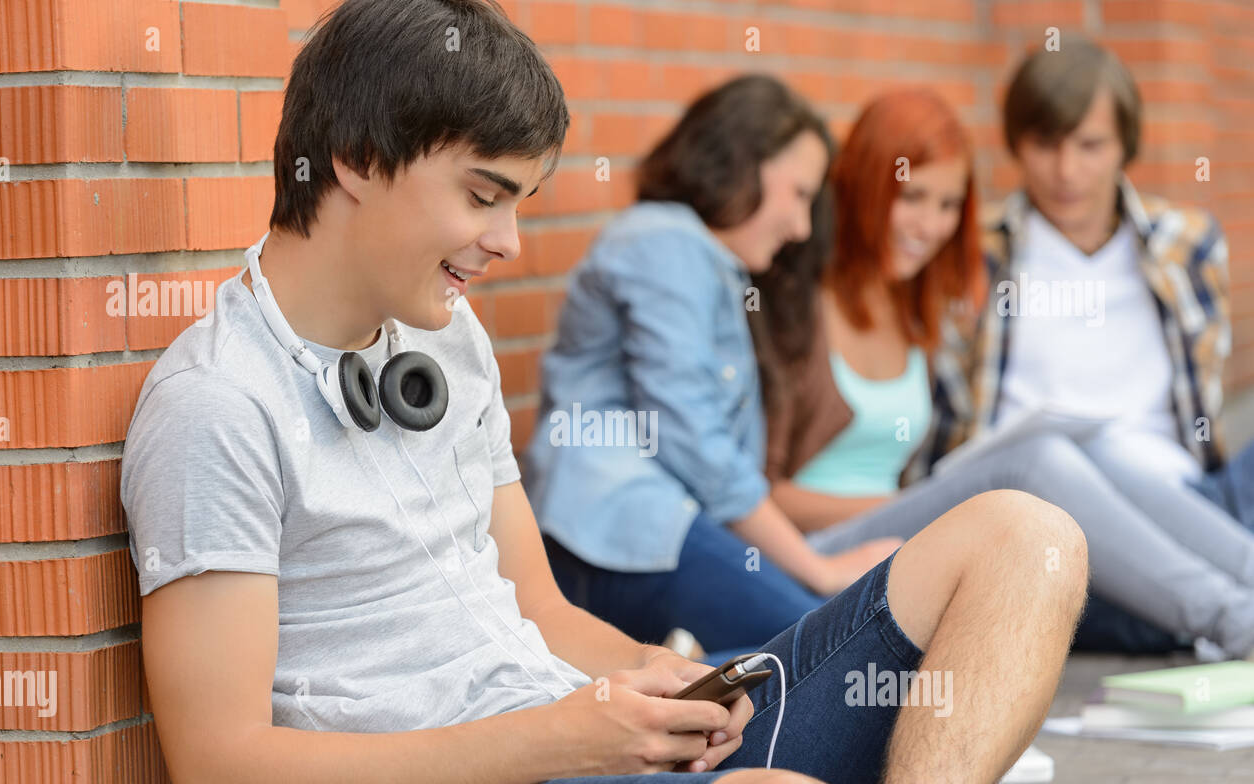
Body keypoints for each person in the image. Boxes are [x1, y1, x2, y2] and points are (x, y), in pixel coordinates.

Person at [121, 1, 1085, 784]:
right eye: (483, 194)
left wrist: (652, 676)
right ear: (358, 162)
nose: (507, 242)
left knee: (1026, 539)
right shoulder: (218, 405)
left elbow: (541, 611)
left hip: (580, 748)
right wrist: (561, 737)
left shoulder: (444, 340)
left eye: (517, 204)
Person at [754, 85, 1254, 660]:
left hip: (901, 529)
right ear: (865, 184)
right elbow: (759, 497)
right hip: (818, 554)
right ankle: (1233, 620)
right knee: (1031, 462)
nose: (929, 224)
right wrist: (929, 500)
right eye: (911, 197)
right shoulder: (795, 306)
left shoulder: (915, 308)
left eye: (947, 206)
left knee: (1102, 447)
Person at [520, 76, 901, 654]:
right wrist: (816, 570)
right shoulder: (663, 242)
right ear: (740, 164)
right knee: (834, 654)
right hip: (616, 531)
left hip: (659, 530)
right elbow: (694, 441)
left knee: (805, 651)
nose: (801, 227)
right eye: (799, 193)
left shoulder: (709, 260)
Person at [906, 38, 1254, 661]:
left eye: (1090, 146)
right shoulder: (975, 254)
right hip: (1051, 518)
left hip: (1182, 497)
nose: (1067, 171)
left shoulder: (1188, 243)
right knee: (1071, 468)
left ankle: (1186, 610)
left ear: (1126, 146)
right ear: (1016, 144)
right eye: (1045, 145)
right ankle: (1192, 615)